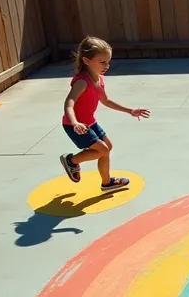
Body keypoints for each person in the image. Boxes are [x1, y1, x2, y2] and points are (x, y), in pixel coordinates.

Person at [59, 36, 149, 190]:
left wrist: (130, 111)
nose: (107, 66)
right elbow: (69, 104)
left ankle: (106, 183)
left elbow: (106, 101)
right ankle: (72, 161)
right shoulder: (82, 82)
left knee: (107, 147)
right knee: (102, 150)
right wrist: (75, 123)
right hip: (75, 125)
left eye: (108, 61)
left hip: (89, 122)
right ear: (87, 61)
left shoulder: (99, 79)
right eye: (102, 62)